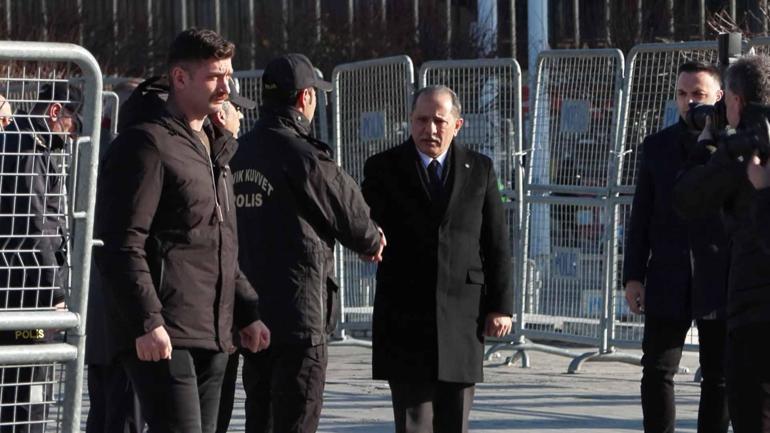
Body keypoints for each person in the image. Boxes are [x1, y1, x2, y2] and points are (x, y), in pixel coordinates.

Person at [94, 28, 270, 433]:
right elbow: (122, 244)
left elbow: (216, 243)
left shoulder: (213, 147)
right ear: (179, 78)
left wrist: (247, 313)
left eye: (228, 75)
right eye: (215, 77)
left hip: (214, 333)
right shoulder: (146, 145)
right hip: (165, 333)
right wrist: (146, 321)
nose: (226, 87)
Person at [231, 53, 385, 433]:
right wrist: (372, 240)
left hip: (249, 310)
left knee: (260, 417)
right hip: (300, 312)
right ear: (304, 99)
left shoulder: (237, 152)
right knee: (297, 418)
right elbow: (355, 221)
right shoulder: (305, 155)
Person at [361, 85, 513, 433]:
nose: (429, 129)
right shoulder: (383, 168)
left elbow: (496, 242)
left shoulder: (481, 170)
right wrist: (366, 240)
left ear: (457, 125)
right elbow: (365, 221)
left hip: (463, 317)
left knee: (454, 422)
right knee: (414, 424)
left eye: (439, 121)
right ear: (410, 122)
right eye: (421, 120)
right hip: (406, 316)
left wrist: (500, 306)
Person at [623, 61, 730, 433]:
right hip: (668, 274)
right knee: (656, 371)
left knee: (719, 376)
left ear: (719, 97)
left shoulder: (733, 146)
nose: (689, 103)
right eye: (682, 94)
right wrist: (633, 276)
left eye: (697, 95)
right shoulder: (656, 147)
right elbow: (641, 217)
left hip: (719, 276)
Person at [673, 54, 770, 433]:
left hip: (754, 314)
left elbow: (687, 197)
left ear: (735, 100)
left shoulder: (745, 147)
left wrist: (707, 146)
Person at [0, 83, 81, 432]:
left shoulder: (16, 139)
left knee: (14, 390)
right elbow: (35, 225)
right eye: (73, 122)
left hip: (16, 284)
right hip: (28, 291)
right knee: (30, 390)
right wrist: (57, 291)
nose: (74, 134)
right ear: (54, 111)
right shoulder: (29, 145)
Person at [212, 78, 256, 433]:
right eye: (236, 110)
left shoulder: (227, 158)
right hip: (206, 317)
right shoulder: (217, 158)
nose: (240, 117)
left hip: (223, 310)